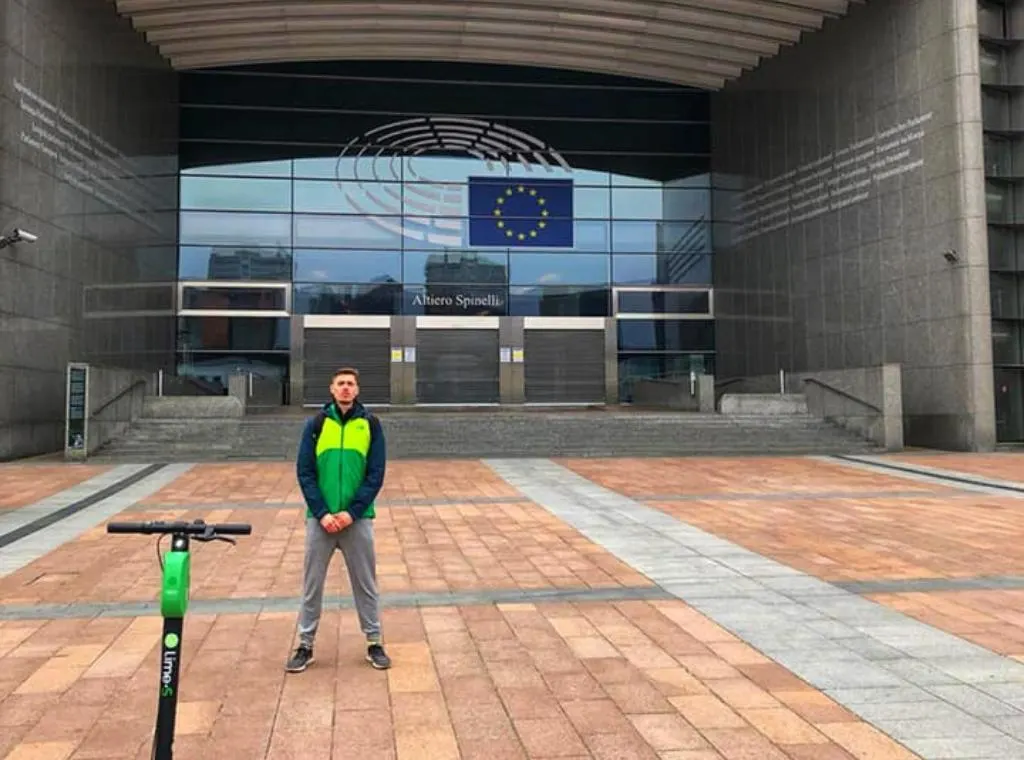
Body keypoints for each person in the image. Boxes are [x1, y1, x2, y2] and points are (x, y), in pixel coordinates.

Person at [286, 367, 391, 672]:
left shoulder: (370, 425)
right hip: (320, 522)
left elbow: (376, 474)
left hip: (357, 521)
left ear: (357, 390)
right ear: (331, 389)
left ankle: (374, 641)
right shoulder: (316, 425)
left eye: (350, 384)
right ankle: (305, 645)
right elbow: (305, 472)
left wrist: (351, 512)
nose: (346, 388)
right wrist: (322, 513)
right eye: (340, 384)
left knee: (366, 583)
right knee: (312, 585)